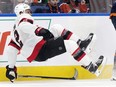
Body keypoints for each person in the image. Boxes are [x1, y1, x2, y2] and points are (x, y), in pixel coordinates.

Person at [5, 3, 106, 82]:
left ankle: (81, 44)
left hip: (40, 44)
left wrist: (10, 68)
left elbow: (11, 49)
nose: (30, 13)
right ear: (21, 12)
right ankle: (92, 67)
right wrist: (39, 30)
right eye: (27, 11)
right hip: (40, 51)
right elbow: (24, 25)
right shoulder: (22, 19)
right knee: (70, 44)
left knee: (56, 28)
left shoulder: (14, 31)